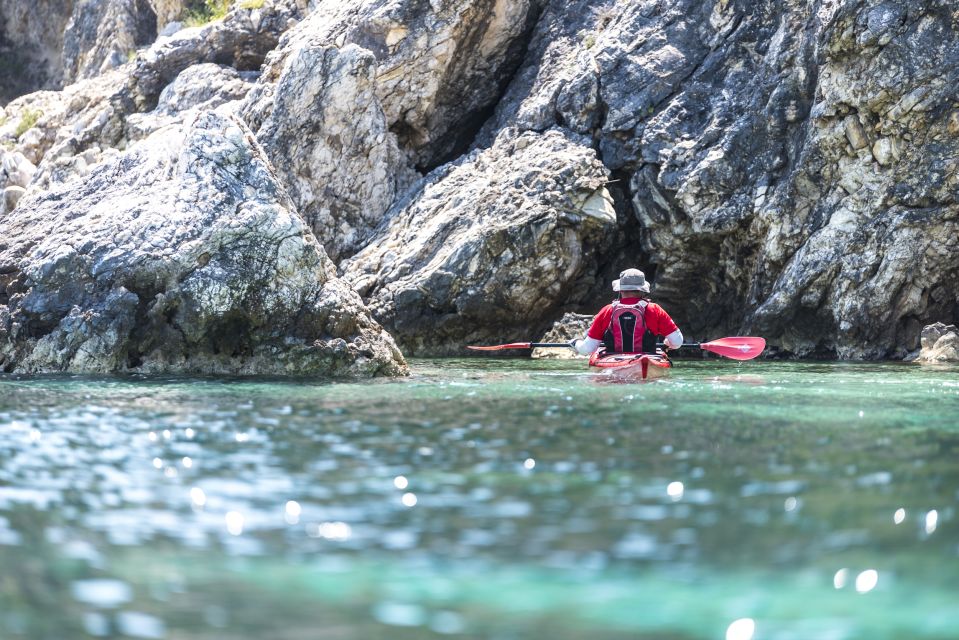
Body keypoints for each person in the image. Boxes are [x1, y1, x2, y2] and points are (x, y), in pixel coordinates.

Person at [572, 268, 683, 355]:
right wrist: (668, 344)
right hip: (646, 364)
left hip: (613, 367)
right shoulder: (655, 310)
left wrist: (575, 343)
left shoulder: (607, 311)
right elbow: (677, 343)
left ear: (620, 289)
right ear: (642, 289)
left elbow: (587, 349)